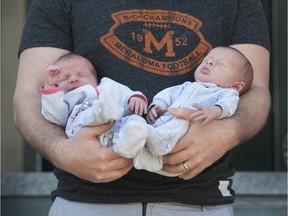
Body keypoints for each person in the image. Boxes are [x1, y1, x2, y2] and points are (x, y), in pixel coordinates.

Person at [13, 0, 270, 215]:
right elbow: (29, 94)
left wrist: (226, 132)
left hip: (199, 200)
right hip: (85, 200)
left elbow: (255, 90)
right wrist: (61, 150)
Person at [134, 46, 253, 175]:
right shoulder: (187, 86)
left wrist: (214, 111)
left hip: (184, 135)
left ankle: (148, 139)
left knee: (177, 124)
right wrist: (157, 105)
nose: (209, 62)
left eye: (220, 64)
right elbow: (167, 95)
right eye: (206, 60)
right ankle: (143, 155)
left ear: (236, 86)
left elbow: (229, 105)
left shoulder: (225, 93)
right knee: (147, 133)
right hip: (165, 122)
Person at [40, 53, 149, 159]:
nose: (73, 79)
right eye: (64, 78)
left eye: (82, 75)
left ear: (96, 80)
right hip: (83, 130)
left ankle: (131, 140)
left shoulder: (105, 86)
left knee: (135, 120)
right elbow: (55, 115)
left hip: (116, 129)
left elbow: (123, 92)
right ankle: (103, 111)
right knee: (90, 113)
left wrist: (134, 98)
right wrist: (50, 87)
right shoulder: (65, 100)